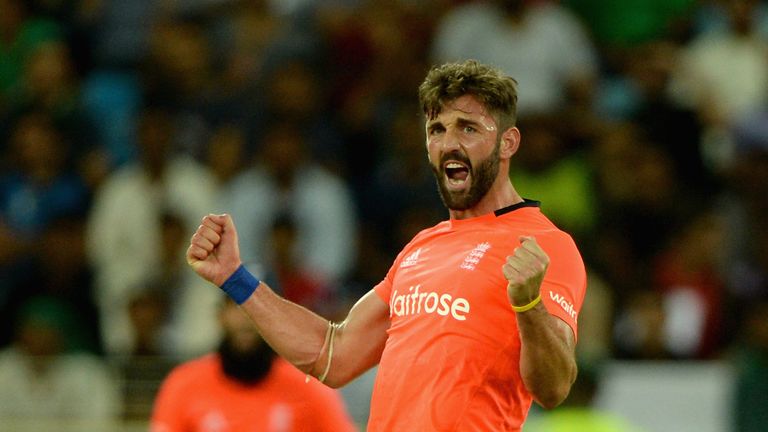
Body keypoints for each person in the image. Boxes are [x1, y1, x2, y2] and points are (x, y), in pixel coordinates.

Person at [186, 60, 587, 431]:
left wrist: (529, 305)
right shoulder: (421, 248)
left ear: (508, 142)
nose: (449, 143)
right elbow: (333, 354)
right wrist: (235, 278)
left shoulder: (545, 245)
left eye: (468, 128)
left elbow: (553, 388)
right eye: (437, 129)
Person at [150, 297, 357, 432]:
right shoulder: (184, 383)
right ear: (220, 316)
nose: (246, 317)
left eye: (258, 307)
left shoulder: (309, 387)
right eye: (237, 306)